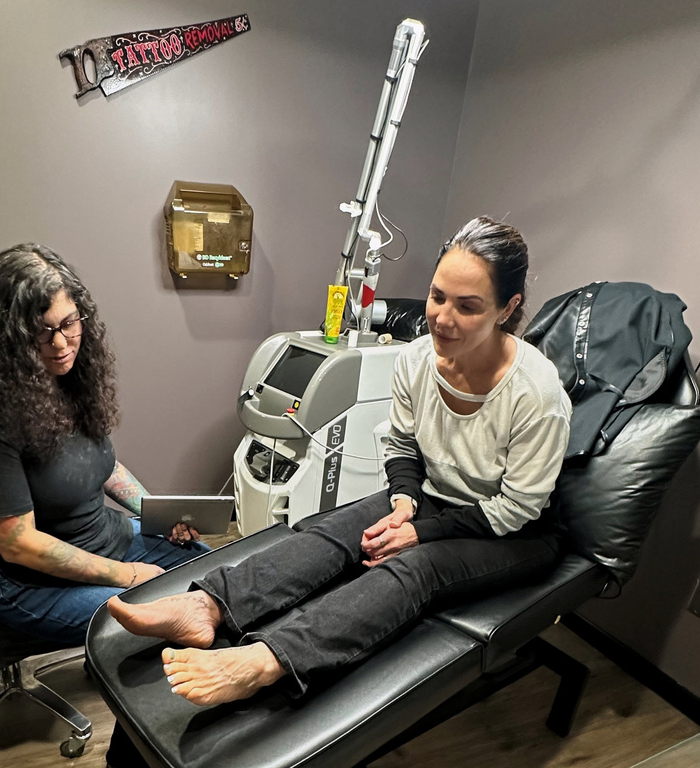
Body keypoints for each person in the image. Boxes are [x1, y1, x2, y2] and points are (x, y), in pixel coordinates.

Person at [108, 216, 573, 705]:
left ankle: (263, 662)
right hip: (435, 501)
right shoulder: (416, 361)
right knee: (331, 528)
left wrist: (421, 533)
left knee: (417, 567)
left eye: (468, 307)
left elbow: (516, 509)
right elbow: (402, 445)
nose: (442, 317)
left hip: (516, 532)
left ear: (508, 308)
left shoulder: (535, 394)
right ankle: (207, 605)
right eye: (438, 297)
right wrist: (403, 503)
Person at [0, 243, 209, 645]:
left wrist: (158, 514)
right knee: (168, 612)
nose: (61, 344)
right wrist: (128, 575)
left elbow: (103, 466)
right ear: (8, 337)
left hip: (99, 536)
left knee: (214, 573)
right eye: (41, 332)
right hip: (17, 579)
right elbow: (18, 544)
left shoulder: (67, 374)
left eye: (68, 324)